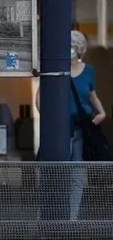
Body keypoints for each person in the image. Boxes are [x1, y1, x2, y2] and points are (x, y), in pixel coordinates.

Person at [35, 30, 106, 220]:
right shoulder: (56, 68)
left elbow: (92, 97)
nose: (71, 49)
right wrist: (50, 120)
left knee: (75, 176)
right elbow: (40, 98)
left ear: (80, 49)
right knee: (54, 174)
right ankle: (47, 216)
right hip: (59, 130)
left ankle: (71, 219)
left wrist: (99, 116)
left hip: (80, 130)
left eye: (74, 46)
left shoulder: (88, 71)